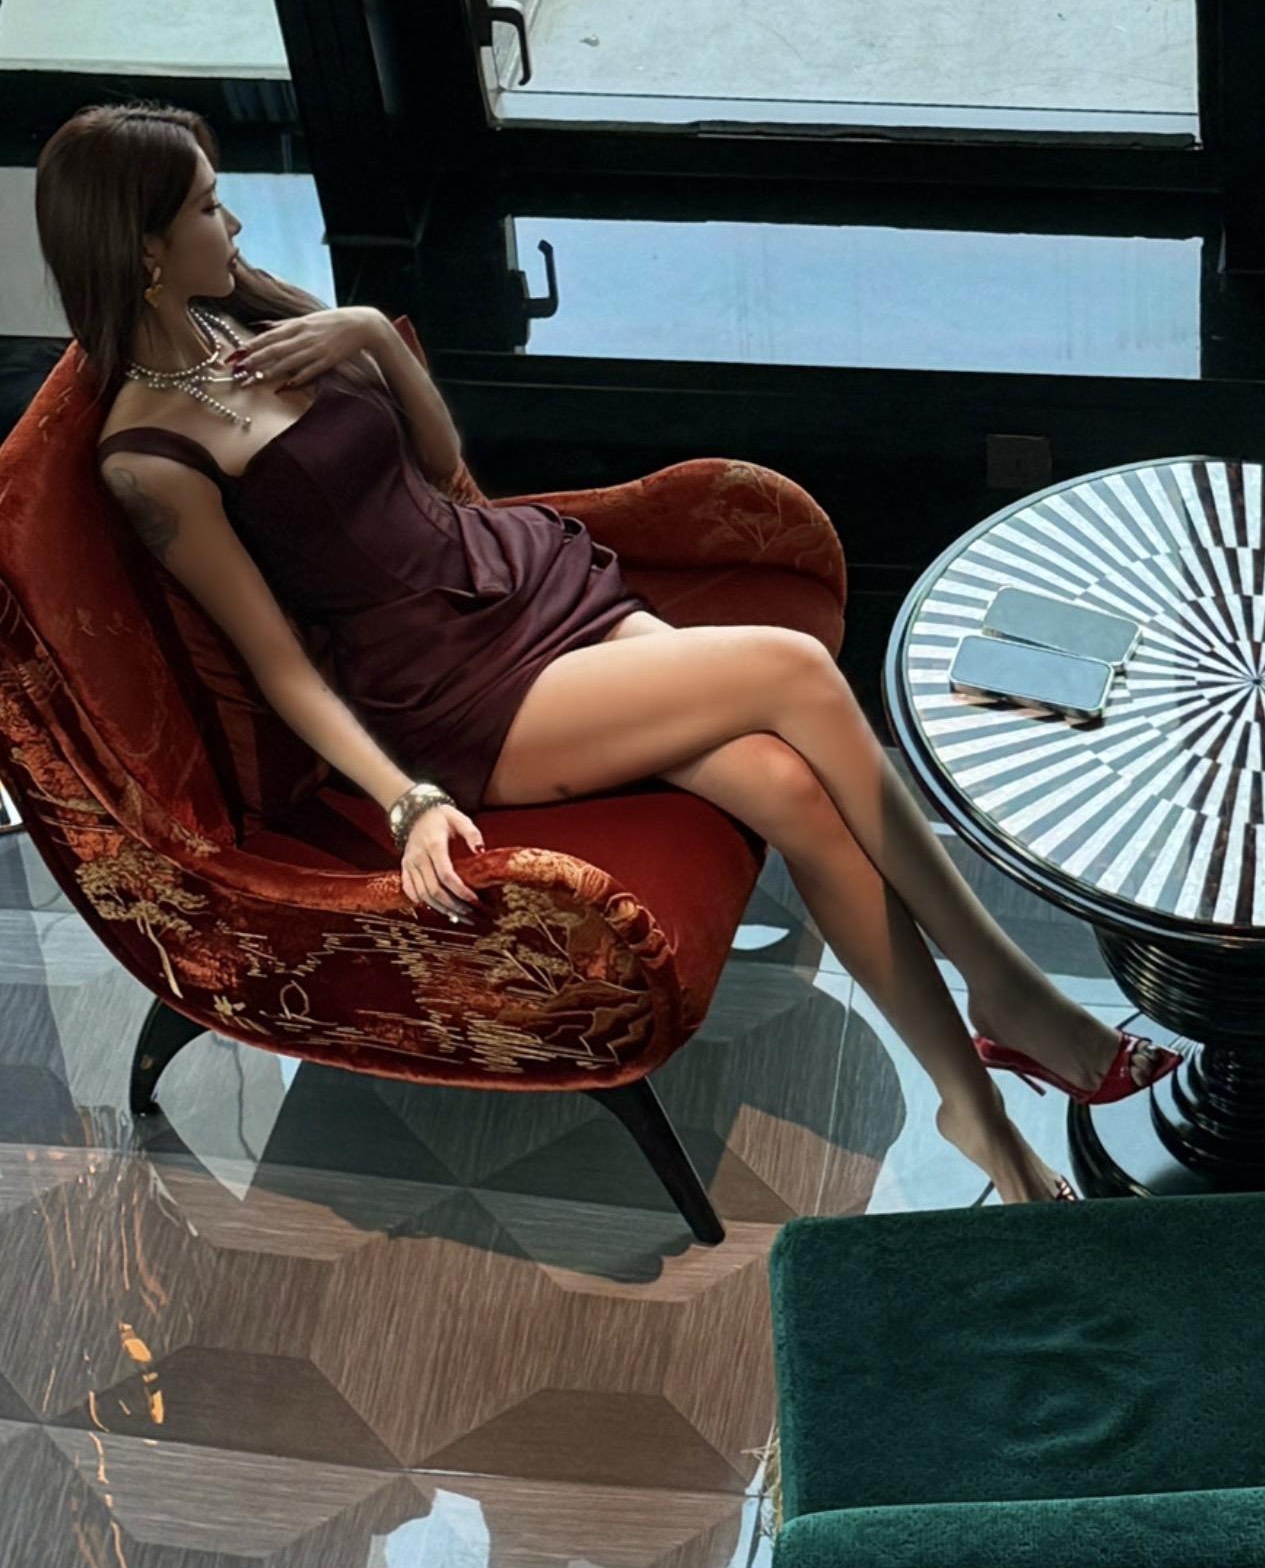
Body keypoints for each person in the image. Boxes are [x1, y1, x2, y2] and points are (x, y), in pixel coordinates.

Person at [40, 104, 1178, 1208]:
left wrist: (371, 332)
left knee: (787, 786)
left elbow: (436, 466)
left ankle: (970, 1103)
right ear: (145, 250)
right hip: (449, 692)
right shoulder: (147, 460)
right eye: (208, 207)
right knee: (792, 667)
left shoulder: (256, 325)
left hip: (520, 579)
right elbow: (280, 666)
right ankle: (1008, 990)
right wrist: (407, 799)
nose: (233, 222)